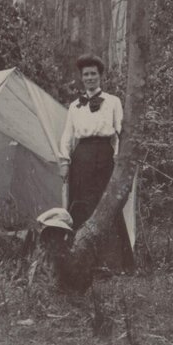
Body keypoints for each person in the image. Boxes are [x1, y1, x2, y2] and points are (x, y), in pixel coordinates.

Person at [58, 54, 124, 230]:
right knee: (80, 202)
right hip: (81, 159)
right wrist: (64, 162)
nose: (90, 78)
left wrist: (118, 159)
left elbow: (119, 132)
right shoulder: (74, 106)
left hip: (105, 156)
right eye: (86, 74)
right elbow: (68, 135)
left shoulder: (113, 102)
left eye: (93, 74)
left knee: (104, 201)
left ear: (100, 76)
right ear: (81, 77)